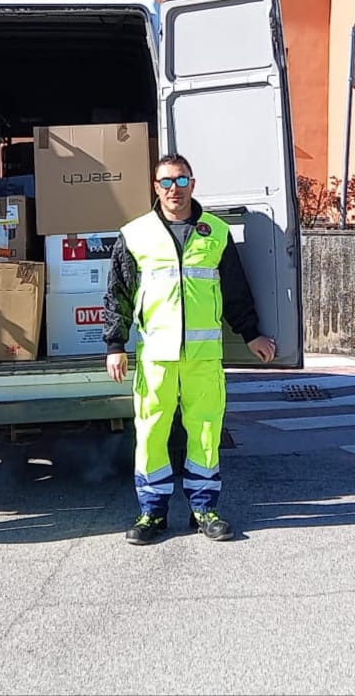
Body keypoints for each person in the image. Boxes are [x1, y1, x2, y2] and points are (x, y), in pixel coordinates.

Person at [103, 153, 275, 544]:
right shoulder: (135, 234)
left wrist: (252, 335)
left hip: (203, 359)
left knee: (205, 432)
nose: (174, 189)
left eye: (181, 180)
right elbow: (118, 295)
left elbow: (235, 292)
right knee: (151, 434)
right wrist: (115, 343)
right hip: (157, 358)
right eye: (166, 182)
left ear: (193, 184)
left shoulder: (214, 232)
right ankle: (152, 514)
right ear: (155, 187)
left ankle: (204, 509)